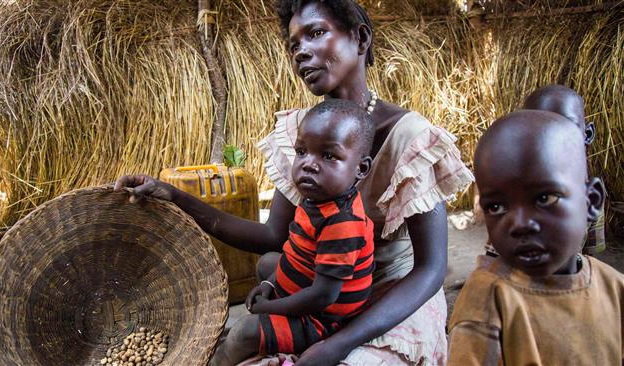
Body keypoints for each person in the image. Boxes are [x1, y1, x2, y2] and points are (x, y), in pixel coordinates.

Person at [115, 1, 473, 364]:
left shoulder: (411, 138)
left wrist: (338, 344)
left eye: (316, 33)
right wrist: (175, 196)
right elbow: (274, 236)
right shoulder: (302, 135)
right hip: (322, 285)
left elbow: (430, 271)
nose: (301, 51)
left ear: (360, 38)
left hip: (390, 293)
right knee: (269, 268)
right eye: (293, 44)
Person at [448, 110, 623, 365]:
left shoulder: (615, 288)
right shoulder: (487, 301)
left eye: (544, 198)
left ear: (591, 201)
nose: (519, 224)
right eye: (496, 207)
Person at [210, 99, 375, 365]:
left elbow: (322, 297)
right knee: (268, 263)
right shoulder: (316, 199)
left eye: (329, 156)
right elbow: (295, 255)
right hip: (309, 290)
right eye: (302, 152)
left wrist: (268, 308)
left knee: (243, 332)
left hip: (326, 320)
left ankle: (218, 361)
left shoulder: (342, 223)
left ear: (361, 169)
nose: (308, 164)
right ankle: (274, 322)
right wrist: (268, 284)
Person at [484, 85, 606, 256]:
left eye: (566, 125)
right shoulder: (516, 195)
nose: (553, 138)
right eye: (538, 129)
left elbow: (587, 264)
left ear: (587, 134)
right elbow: (494, 259)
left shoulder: (591, 194)